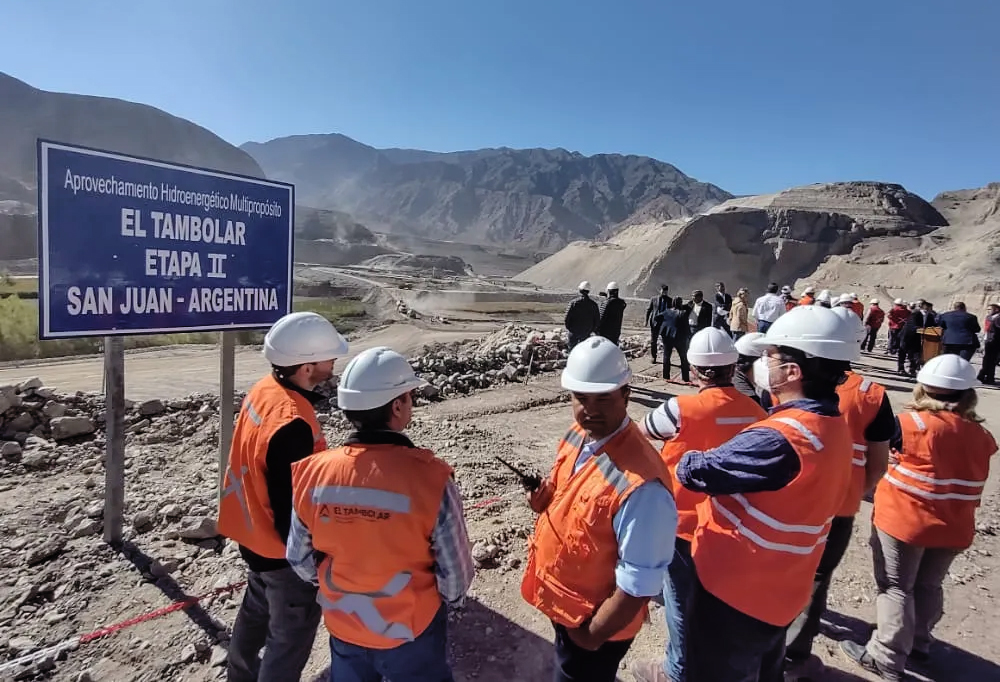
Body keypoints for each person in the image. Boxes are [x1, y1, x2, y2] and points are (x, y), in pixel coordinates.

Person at [673, 306, 857, 682]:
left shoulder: (779, 437)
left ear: (792, 371)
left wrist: (688, 452)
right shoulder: (831, 426)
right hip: (782, 588)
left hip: (736, 592)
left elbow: (695, 472)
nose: (760, 364)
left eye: (769, 357)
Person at [287, 346, 474, 681]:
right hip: (411, 630)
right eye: (409, 396)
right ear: (398, 405)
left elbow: (299, 559)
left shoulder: (312, 474)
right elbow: (456, 576)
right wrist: (449, 603)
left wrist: (341, 587)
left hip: (345, 627)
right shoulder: (430, 478)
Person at [521, 337, 677, 682]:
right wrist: (543, 502)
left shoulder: (643, 488)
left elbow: (639, 583)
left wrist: (591, 636)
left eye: (603, 398)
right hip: (567, 605)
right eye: (580, 398)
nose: (590, 409)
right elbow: (568, 492)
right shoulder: (579, 434)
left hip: (592, 625)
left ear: (626, 395)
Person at [841, 355, 997, 681]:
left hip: (904, 521)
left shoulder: (910, 425)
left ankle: (885, 656)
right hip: (954, 525)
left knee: (896, 588)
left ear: (922, 387)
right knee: (928, 585)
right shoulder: (982, 436)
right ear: (969, 394)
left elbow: (878, 458)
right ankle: (918, 642)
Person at [218, 311, 350, 682]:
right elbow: (289, 507)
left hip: (251, 533)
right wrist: (312, 559)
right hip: (281, 553)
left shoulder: (264, 390)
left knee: (255, 613)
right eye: (328, 358)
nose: (333, 363)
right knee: (288, 638)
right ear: (307, 367)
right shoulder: (292, 421)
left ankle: (239, 676)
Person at [631, 328, 767, 682]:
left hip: (684, 523)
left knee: (679, 602)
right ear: (733, 366)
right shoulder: (756, 411)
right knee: (720, 600)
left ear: (693, 370)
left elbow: (642, 431)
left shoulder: (681, 408)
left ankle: (678, 671)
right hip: (733, 523)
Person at [785, 307, 895, 678]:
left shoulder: (788, 384)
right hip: (840, 506)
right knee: (816, 578)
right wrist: (852, 493)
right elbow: (879, 464)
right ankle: (794, 654)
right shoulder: (872, 395)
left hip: (792, 498)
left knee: (781, 567)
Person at [660, 297, 692, 383]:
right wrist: (689, 335)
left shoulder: (667, 311)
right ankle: (685, 378)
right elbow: (686, 326)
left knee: (666, 357)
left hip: (667, 337)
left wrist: (663, 327)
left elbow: (657, 317)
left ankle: (666, 376)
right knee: (683, 358)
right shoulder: (683, 313)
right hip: (679, 338)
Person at [565, 281, 601, 350]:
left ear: (580, 290)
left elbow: (567, 319)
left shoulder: (573, 303)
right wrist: (590, 330)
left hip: (573, 333)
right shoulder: (594, 305)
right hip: (586, 334)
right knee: (584, 352)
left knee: (572, 352)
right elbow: (597, 321)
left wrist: (571, 329)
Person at [733, 332, 766, 405]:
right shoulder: (739, 372)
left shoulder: (774, 380)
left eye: (743, 356)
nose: (738, 360)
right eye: (737, 355)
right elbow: (750, 403)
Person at [646, 284, 672, 363]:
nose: (664, 292)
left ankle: (666, 358)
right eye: (663, 290)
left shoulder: (670, 300)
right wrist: (646, 320)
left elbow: (671, 311)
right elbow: (649, 310)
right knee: (653, 341)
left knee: (666, 341)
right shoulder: (654, 299)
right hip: (655, 323)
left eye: (666, 291)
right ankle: (654, 357)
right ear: (659, 290)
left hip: (665, 324)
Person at [597, 281, 627, 346]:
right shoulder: (621, 303)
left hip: (605, 333)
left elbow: (600, 319)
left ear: (609, 291)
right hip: (616, 333)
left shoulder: (607, 303)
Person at [978, 303, 1000, 384]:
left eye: (990, 309)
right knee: (987, 360)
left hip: (995, 342)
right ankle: (985, 377)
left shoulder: (998, 318)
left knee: (991, 360)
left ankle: (987, 377)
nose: (988, 311)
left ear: (996, 309)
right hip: (988, 340)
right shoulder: (989, 317)